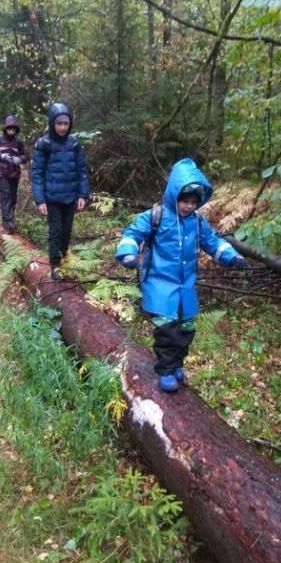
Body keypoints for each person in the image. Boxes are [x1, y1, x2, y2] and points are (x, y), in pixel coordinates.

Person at [115, 157, 248, 393]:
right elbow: (133, 233)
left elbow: (212, 241)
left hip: (185, 285)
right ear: (173, 195)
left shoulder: (197, 221)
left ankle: (176, 364)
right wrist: (128, 254)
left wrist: (231, 256)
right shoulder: (155, 216)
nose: (188, 206)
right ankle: (165, 370)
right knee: (167, 329)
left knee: (186, 328)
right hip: (158, 282)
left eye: (193, 202)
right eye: (184, 200)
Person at [31, 102, 90, 280]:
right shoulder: (44, 144)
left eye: (66, 123)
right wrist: (39, 199)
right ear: (52, 123)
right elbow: (37, 173)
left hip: (70, 196)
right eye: (59, 124)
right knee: (55, 231)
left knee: (67, 232)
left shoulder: (74, 144)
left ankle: (64, 261)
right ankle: (55, 266)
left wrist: (82, 194)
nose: (63, 127)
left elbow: (82, 170)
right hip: (52, 197)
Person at [0, 115, 28, 232]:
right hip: (1, 172)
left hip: (14, 173)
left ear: (16, 130)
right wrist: (0, 155)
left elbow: (26, 156)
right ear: (6, 128)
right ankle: (6, 221)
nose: (11, 131)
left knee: (13, 197)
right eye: (9, 129)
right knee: (6, 194)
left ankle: (10, 219)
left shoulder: (18, 142)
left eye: (14, 129)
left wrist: (20, 159)